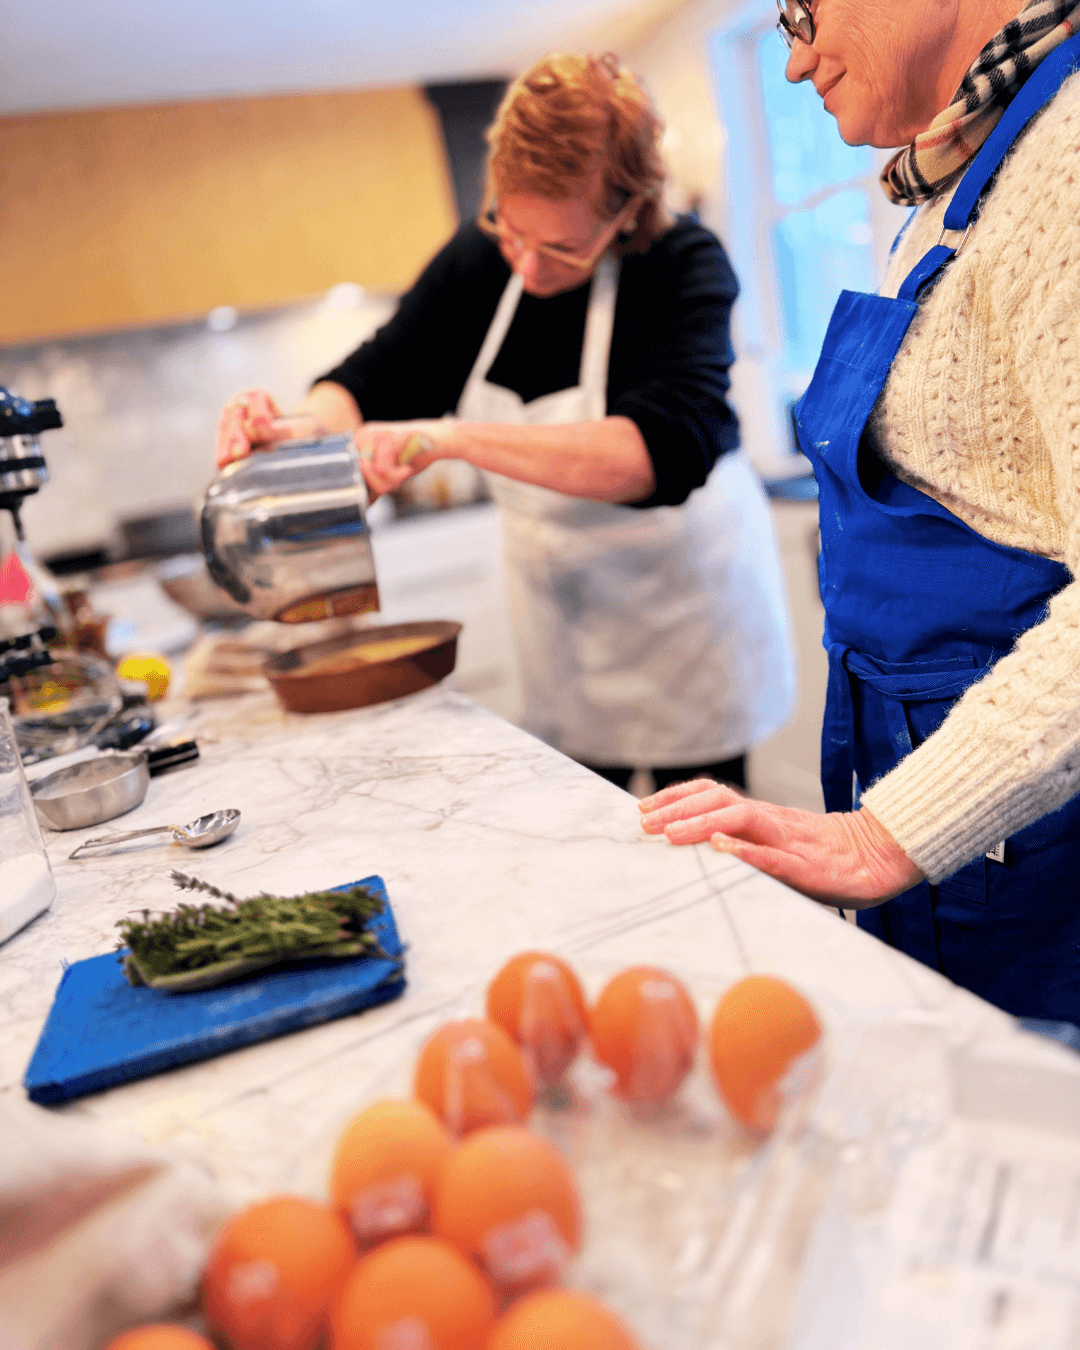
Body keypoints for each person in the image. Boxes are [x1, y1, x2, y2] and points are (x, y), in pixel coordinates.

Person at [641, 0, 1080, 1023]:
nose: (794, 62)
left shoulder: (1066, 170)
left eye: (803, 12)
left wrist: (892, 835)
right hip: (950, 810)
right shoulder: (955, 189)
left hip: (1034, 840)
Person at [217, 53, 795, 795]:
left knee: (706, 826)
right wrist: (296, 427)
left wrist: (448, 440)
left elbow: (657, 452)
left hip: (683, 611)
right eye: (511, 229)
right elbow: (371, 378)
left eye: (561, 246)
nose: (526, 267)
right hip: (565, 622)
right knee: (588, 808)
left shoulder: (682, 264)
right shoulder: (478, 261)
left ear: (626, 209)